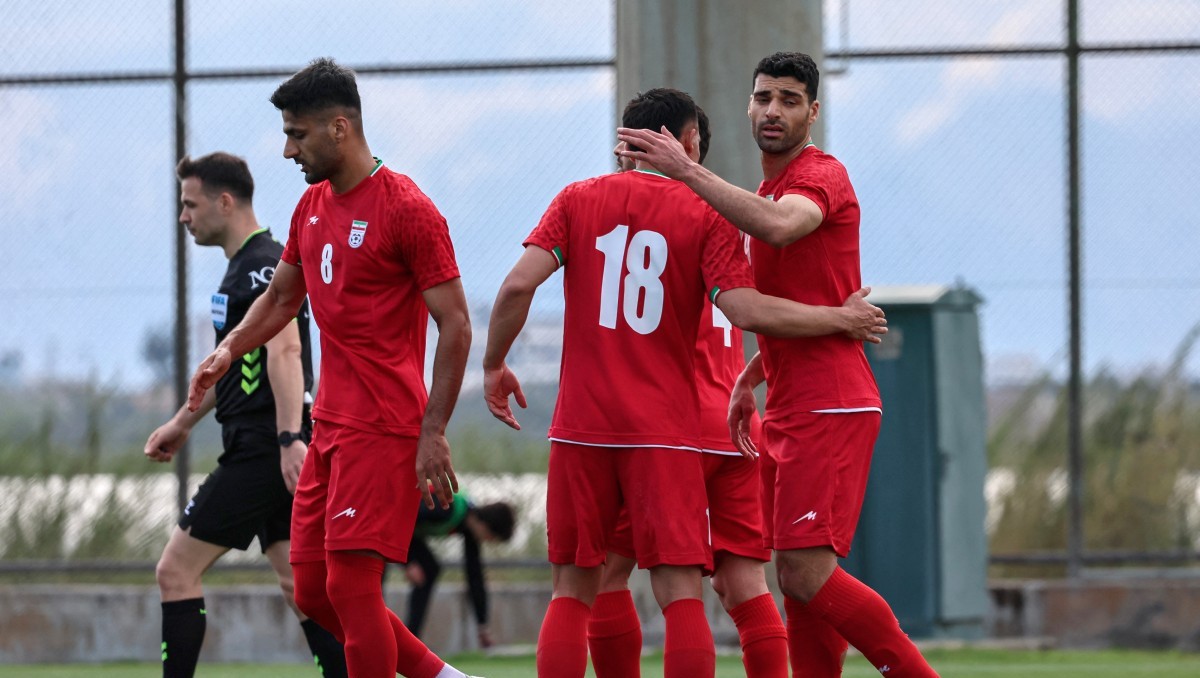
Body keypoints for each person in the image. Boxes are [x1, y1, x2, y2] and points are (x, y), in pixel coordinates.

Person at [483, 87, 887, 678]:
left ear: (624, 145)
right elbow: (745, 310)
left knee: (575, 589)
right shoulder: (710, 215)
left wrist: (494, 364)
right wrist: (839, 319)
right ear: (691, 143)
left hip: (584, 429)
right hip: (673, 433)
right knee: (688, 593)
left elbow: (518, 286)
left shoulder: (575, 199)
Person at [617, 52, 940, 677]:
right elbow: (790, 304)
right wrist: (751, 375)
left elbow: (781, 228)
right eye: (764, 97)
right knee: (796, 583)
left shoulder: (820, 176)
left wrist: (687, 173)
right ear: (748, 104)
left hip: (833, 401)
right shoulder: (766, 187)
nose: (773, 111)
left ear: (812, 112)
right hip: (790, 404)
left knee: (804, 572)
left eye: (790, 100)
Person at [185, 58, 476, 678]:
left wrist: (433, 429)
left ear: (340, 128)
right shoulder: (311, 207)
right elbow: (282, 299)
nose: (287, 149)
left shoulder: (408, 209)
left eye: (298, 134)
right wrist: (228, 349)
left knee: (351, 589)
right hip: (331, 429)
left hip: (385, 426)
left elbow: (456, 322)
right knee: (313, 591)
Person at [589, 107, 790, 678]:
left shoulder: (656, 219)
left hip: (670, 432)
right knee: (744, 584)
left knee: (612, 576)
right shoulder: (739, 220)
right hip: (736, 424)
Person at [145, 152, 346, 678]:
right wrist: (183, 422)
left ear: (225, 201)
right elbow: (233, 366)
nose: (184, 217)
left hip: (262, 449)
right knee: (303, 591)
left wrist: (286, 439)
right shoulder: (249, 266)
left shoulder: (262, 265)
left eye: (190, 204)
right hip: (268, 446)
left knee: (175, 570)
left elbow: (284, 351)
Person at [402, 494, 517, 645]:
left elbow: (475, 576)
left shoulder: (468, 526)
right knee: (381, 569)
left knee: (430, 570)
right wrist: (408, 562)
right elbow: (400, 515)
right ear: (485, 526)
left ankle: (409, 641)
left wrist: (482, 625)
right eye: (492, 538)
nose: (488, 541)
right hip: (387, 519)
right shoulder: (446, 508)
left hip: (407, 533)